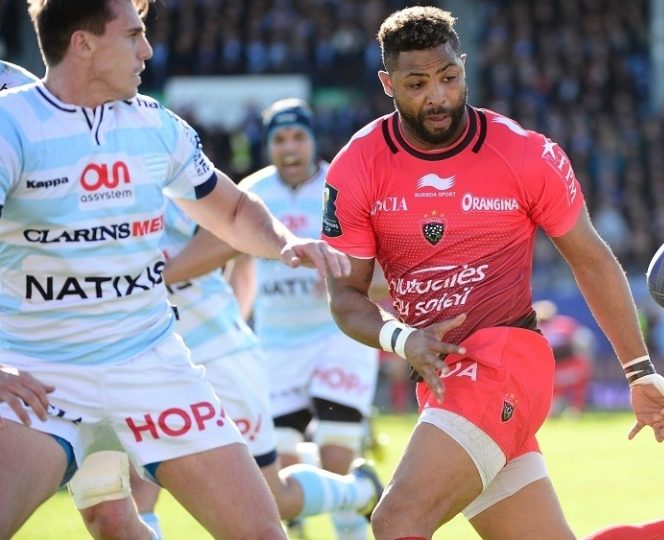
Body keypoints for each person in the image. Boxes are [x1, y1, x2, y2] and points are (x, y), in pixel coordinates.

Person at [321, 6, 664, 539]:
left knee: (397, 520)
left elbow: (591, 257)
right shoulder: (357, 168)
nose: (438, 96)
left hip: (505, 359)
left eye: (449, 77)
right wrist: (402, 339)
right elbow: (345, 296)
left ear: (463, 66)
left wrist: (638, 370)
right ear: (387, 83)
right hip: (442, 379)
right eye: (417, 84)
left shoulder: (523, 152)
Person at [0, 1, 349, 538]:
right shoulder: (11, 125)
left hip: (151, 365)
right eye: (133, 35)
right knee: (113, 523)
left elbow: (230, 209)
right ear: (83, 44)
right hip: (42, 376)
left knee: (261, 532)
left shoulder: (155, 124)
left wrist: (284, 243)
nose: (148, 50)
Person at [78, 199, 383, 538]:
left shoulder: (157, 181)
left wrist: (155, 282)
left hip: (219, 358)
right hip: (145, 363)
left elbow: (229, 235)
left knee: (270, 499)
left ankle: (359, 491)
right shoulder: (70, 204)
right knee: (127, 506)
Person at [164, 97, 383, 539]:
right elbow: (239, 268)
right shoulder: (252, 194)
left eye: (298, 136)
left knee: (336, 453)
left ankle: (351, 510)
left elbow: (377, 263)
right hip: (278, 346)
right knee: (281, 464)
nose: (289, 147)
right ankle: (356, 494)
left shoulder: (340, 186)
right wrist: (236, 327)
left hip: (338, 336)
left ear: (313, 140)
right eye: (279, 139)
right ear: (267, 146)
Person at [533, 300, 595, 417]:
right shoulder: (532, 329)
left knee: (581, 368)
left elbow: (584, 340)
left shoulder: (564, 325)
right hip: (550, 368)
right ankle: (553, 405)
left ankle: (575, 407)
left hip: (569, 364)